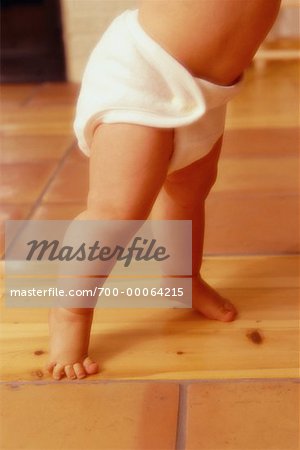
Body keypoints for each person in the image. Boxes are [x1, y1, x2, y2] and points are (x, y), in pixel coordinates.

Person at [47, 0, 281, 380]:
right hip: (144, 69)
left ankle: (182, 278)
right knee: (117, 212)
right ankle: (70, 310)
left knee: (189, 190)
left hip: (208, 90)